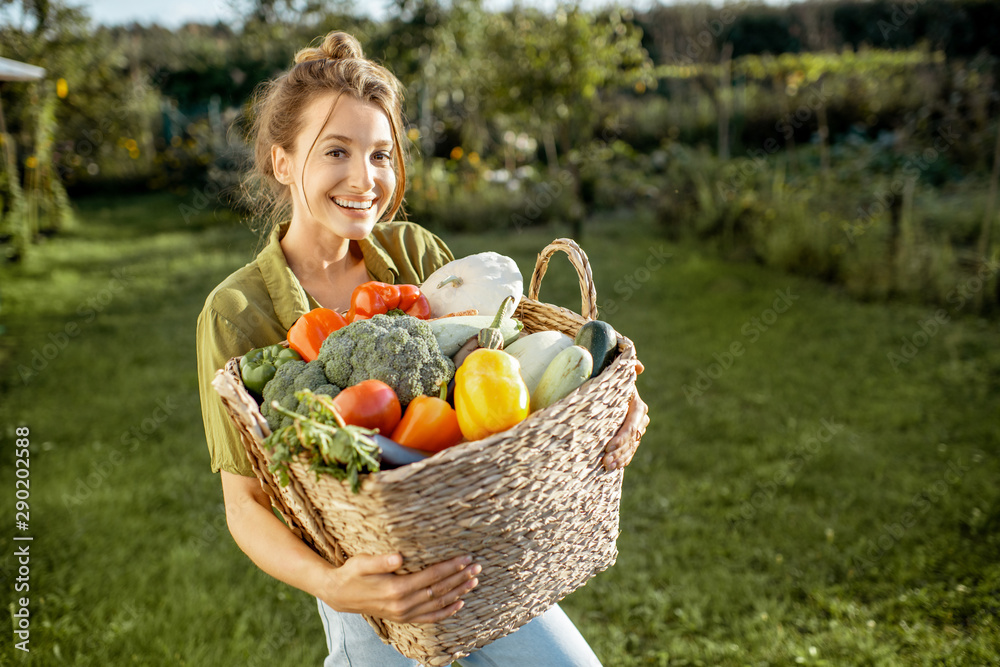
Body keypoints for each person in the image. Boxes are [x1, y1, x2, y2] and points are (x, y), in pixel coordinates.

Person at [195, 30, 650, 666]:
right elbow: (243, 506)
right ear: (281, 162)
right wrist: (336, 587)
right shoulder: (238, 310)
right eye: (336, 152)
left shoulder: (413, 253)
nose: (365, 178)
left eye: (381, 155)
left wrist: (600, 403)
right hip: (372, 584)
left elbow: (506, 362)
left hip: (484, 548)